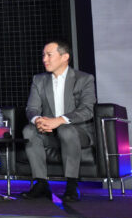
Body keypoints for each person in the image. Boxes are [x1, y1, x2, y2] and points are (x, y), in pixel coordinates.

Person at [20, 40, 96, 202]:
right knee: (28, 130)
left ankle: (71, 185)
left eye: (49, 55)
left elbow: (87, 110)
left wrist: (59, 120)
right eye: (43, 56)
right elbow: (31, 108)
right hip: (48, 131)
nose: (44, 60)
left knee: (65, 129)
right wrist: (38, 120)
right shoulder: (39, 80)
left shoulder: (84, 79)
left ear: (64, 57)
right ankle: (41, 183)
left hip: (77, 132)